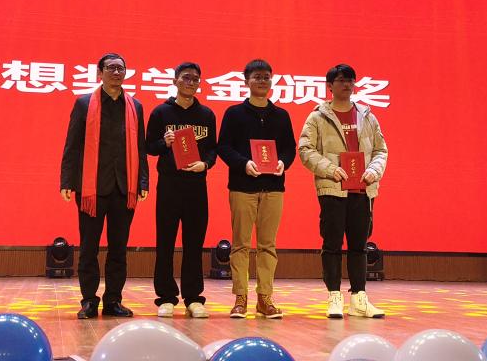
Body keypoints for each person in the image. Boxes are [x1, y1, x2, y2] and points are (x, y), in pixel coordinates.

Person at [60, 53, 149, 319]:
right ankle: (89, 300)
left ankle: (113, 300)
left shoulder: (135, 106)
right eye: (111, 68)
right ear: (100, 73)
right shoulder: (84, 103)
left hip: (124, 187)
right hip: (91, 189)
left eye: (121, 68)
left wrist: (143, 180)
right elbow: (72, 145)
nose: (116, 72)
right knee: (89, 248)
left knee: (118, 249)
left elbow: (140, 148)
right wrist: (67, 181)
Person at [297, 63, 388, 319]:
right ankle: (334, 296)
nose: (347, 84)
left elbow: (381, 150)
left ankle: (359, 298)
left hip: (363, 190)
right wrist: (329, 168)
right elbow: (305, 149)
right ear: (330, 85)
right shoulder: (317, 117)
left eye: (350, 80)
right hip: (333, 189)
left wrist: (374, 171)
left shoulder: (367, 116)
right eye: (341, 80)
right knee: (332, 244)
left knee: (360, 245)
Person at [216, 59, 296, 319]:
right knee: (240, 244)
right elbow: (223, 147)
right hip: (242, 187)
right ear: (246, 81)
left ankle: (265, 298)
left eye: (266, 77)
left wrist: (283, 162)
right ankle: (240, 298)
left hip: (274, 188)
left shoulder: (281, 115)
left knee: (268, 245)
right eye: (257, 77)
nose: (263, 81)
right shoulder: (234, 113)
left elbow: (290, 148)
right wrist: (243, 164)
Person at [145, 62, 218, 318]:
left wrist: (205, 164)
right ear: (175, 80)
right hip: (169, 185)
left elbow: (212, 149)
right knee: (165, 242)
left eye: (195, 79)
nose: (191, 82)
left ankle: (193, 298)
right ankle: (166, 297)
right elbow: (148, 147)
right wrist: (163, 143)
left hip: (196, 186)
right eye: (186, 77)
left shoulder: (207, 114)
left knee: (194, 243)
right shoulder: (161, 112)